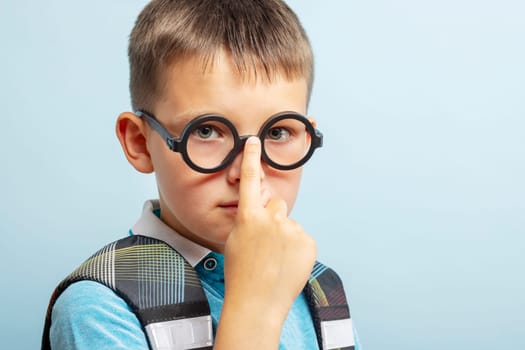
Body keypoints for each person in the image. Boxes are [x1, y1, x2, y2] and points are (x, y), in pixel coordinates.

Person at [42, 0, 361, 349]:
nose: (247, 173)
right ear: (140, 142)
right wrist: (255, 310)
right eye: (207, 131)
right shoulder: (100, 308)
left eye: (277, 133)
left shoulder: (321, 289)